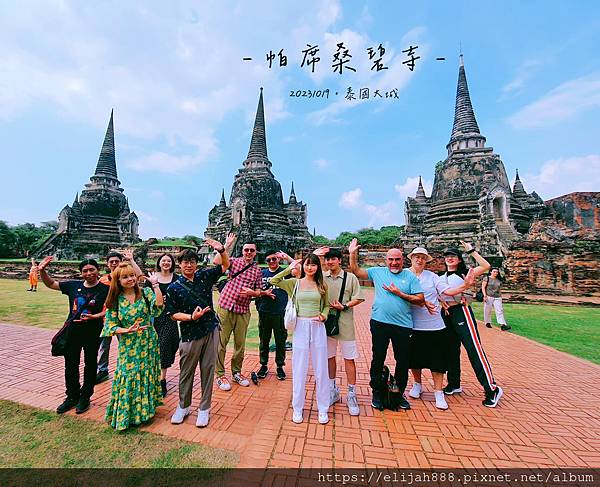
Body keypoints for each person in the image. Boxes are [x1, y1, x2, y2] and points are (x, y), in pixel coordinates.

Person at [348, 238, 425, 411]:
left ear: (403, 259)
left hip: (403, 325)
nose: (394, 263)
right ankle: (377, 390)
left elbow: (420, 300)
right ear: (386, 260)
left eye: (397, 259)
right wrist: (352, 254)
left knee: (402, 361)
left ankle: (398, 393)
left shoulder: (410, 277)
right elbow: (356, 271)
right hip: (380, 323)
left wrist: (400, 294)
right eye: (391, 259)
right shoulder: (378, 272)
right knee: (378, 357)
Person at [166, 239, 229, 428]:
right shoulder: (174, 288)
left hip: (210, 329)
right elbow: (172, 314)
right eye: (185, 262)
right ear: (180, 265)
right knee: (186, 372)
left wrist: (221, 249)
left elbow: (225, 265)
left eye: (192, 261)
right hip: (189, 334)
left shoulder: (204, 276)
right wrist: (191, 317)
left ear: (196, 263)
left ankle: (204, 409)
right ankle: (183, 406)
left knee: (208, 370)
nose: (189, 265)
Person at [38, 256, 109, 414]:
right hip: (73, 332)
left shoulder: (105, 289)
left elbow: (110, 309)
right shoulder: (73, 285)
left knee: (90, 365)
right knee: (71, 364)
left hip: (93, 332)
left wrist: (95, 316)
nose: (89, 273)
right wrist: (42, 271)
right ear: (81, 273)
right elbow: (51, 284)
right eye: (85, 271)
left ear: (98, 271)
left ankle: (85, 396)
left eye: (92, 270)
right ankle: (72, 396)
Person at [405, 247, 474, 410]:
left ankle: (438, 392)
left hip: (434, 325)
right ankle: (417, 384)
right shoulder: (404, 275)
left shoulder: (432, 277)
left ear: (426, 260)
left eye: (423, 257)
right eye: (416, 257)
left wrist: (465, 286)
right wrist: (421, 302)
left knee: (437, 361)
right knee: (414, 359)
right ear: (411, 258)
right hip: (412, 324)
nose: (419, 260)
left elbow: (447, 292)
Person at [101, 263, 164, 431]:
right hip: (128, 343)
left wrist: (156, 285)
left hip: (148, 340)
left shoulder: (145, 293)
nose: (130, 279)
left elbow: (159, 306)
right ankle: (125, 414)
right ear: (118, 280)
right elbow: (111, 326)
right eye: (125, 277)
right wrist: (127, 330)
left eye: (132, 276)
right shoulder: (115, 300)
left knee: (146, 373)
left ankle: (145, 412)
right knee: (128, 374)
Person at [440, 242, 503, 408]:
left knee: (473, 349)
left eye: (453, 255)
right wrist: (441, 301)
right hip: (446, 315)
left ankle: (492, 389)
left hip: (462, 311)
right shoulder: (440, 277)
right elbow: (438, 293)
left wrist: (471, 250)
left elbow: (486, 265)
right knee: (450, 350)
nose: (449, 258)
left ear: (459, 259)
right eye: (447, 256)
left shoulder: (466, 273)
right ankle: (454, 383)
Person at [270, 253, 330, 424]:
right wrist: (290, 268)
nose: (310, 268)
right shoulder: (294, 283)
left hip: (317, 326)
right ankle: (297, 408)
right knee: (299, 368)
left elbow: (326, 305)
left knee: (321, 368)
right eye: (307, 264)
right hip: (301, 327)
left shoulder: (321, 284)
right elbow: (274, 281)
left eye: (313, 265)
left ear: (318, 267)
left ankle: (323, 408)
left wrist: (324, 315)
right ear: (303, 266)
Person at [314, 247, 365, 416]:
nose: (329, 262)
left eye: (333, 259)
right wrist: (316, 255)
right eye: (327, 259)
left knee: (349, 359)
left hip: (345, 324)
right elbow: (304, 271)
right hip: (327, 323)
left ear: (339, 260)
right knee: (329, 358)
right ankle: (332, 389)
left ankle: (351, 393)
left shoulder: (350, 278)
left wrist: (344, 306)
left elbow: (358, 297)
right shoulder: (322, 277)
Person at [214, 234, 263, 391]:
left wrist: (252, 293)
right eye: (246, 249)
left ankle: (236, 372)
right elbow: (216, 263)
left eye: (251, 250)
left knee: (240, 344)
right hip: (225, 305)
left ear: (255, 253)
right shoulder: (233, 261)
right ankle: (220, 374)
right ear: (242, 251)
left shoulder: (257, 271)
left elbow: (259, 290)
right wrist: (226, 245)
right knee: (221, 342)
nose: (248, 252)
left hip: (243, 309)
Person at [96, 249, 143, 383]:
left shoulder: (128, 279)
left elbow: (140, 277)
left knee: (128, 345)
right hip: (108, 318)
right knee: (104, 345)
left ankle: (131, 370)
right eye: (112, 262)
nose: (114, 263)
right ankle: (102, 370)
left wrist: (132, 260)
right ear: (107, 264)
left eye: (117, 261)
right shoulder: (103, 280)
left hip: (126, 319)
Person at [255, 249, 294, 381]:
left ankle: (280, 366)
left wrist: (287, 257)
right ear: (266, 262)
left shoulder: (285, 272)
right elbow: (255, 290)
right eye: (269, 260)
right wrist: (263, 294)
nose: (272, 262)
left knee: (280, 340)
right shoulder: (262, 273)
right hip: (265, 311)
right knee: (264, 340)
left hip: (280, 312)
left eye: (274, 259)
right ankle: (264, 365)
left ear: (278, 259)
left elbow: (298, 268)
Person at [146, 253, 180, 396]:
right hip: (154, 316)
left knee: (167, 345)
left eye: (168, 261)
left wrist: (170, 300)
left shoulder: (177, 279)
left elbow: (181, 295)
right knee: (156, 346)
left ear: (172, 263)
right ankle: (160, 379)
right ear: (159, 263)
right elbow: (146, 296)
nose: (166, 263)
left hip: (169, 316)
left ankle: (162, 378)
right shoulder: (152, 278)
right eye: (163, 260)